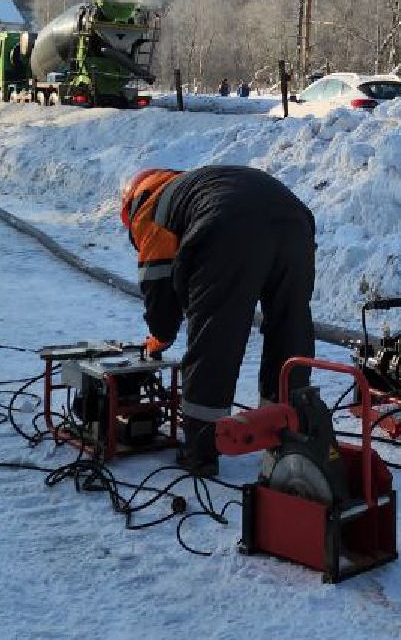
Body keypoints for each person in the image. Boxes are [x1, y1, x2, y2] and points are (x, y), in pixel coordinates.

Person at [120, 165, 317, 475]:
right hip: (295, 221)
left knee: (216, 333)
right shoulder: (195, 186)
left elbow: (159, 294)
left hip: (230, 225)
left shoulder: (149, 211)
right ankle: (285, 431)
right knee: (290, 325)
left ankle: (201, 449)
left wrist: (159, 339)